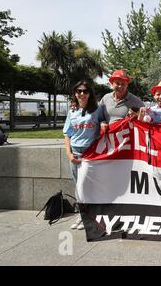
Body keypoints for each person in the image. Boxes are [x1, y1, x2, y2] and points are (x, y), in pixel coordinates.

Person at [63, 80, 104, 230]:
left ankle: (91, 217)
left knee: (86, 186)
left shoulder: (97, 110)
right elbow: (67, 134)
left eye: (85, 91)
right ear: (75, 93)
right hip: (75, 153)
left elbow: (104, 124)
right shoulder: (71, 111)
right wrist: (69, 153)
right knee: (78, 186)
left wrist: (104, 124)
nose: (82, 94)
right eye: (79, 91)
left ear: (90, 94)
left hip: (90, 154)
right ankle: (82, 216)